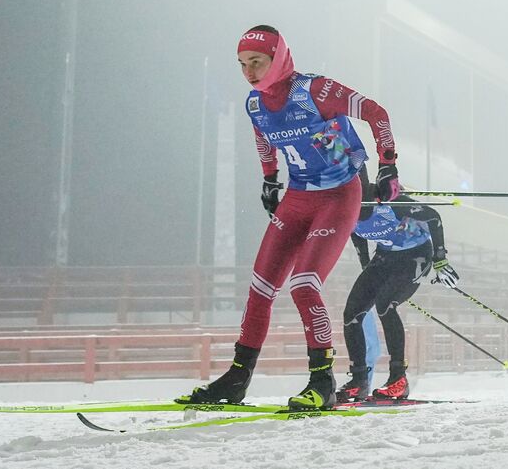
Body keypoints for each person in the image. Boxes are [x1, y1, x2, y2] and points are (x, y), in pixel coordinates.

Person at [179, 25, 401, 409]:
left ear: (278, 58)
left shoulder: (315, 91)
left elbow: (376, 113)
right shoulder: (255, 103)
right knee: (260, 288)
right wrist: (269, 180)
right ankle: (237, 378)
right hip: (298, 198)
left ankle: (323, 382)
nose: (249, 72)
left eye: (257, 63)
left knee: (304, 285)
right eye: (243, 64)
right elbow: (264, 140)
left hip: (338, 196)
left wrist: (388, 167)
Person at [335, 174, 458, 403]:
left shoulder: (388, 201)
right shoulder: (345, 209)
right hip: (385, 257)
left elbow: (433, 216)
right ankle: (359, 381)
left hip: (416, 255)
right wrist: (366, 266)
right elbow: (357, 234)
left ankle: (398, 379)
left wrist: (441, 260)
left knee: (385, 305)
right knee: (352, 313)